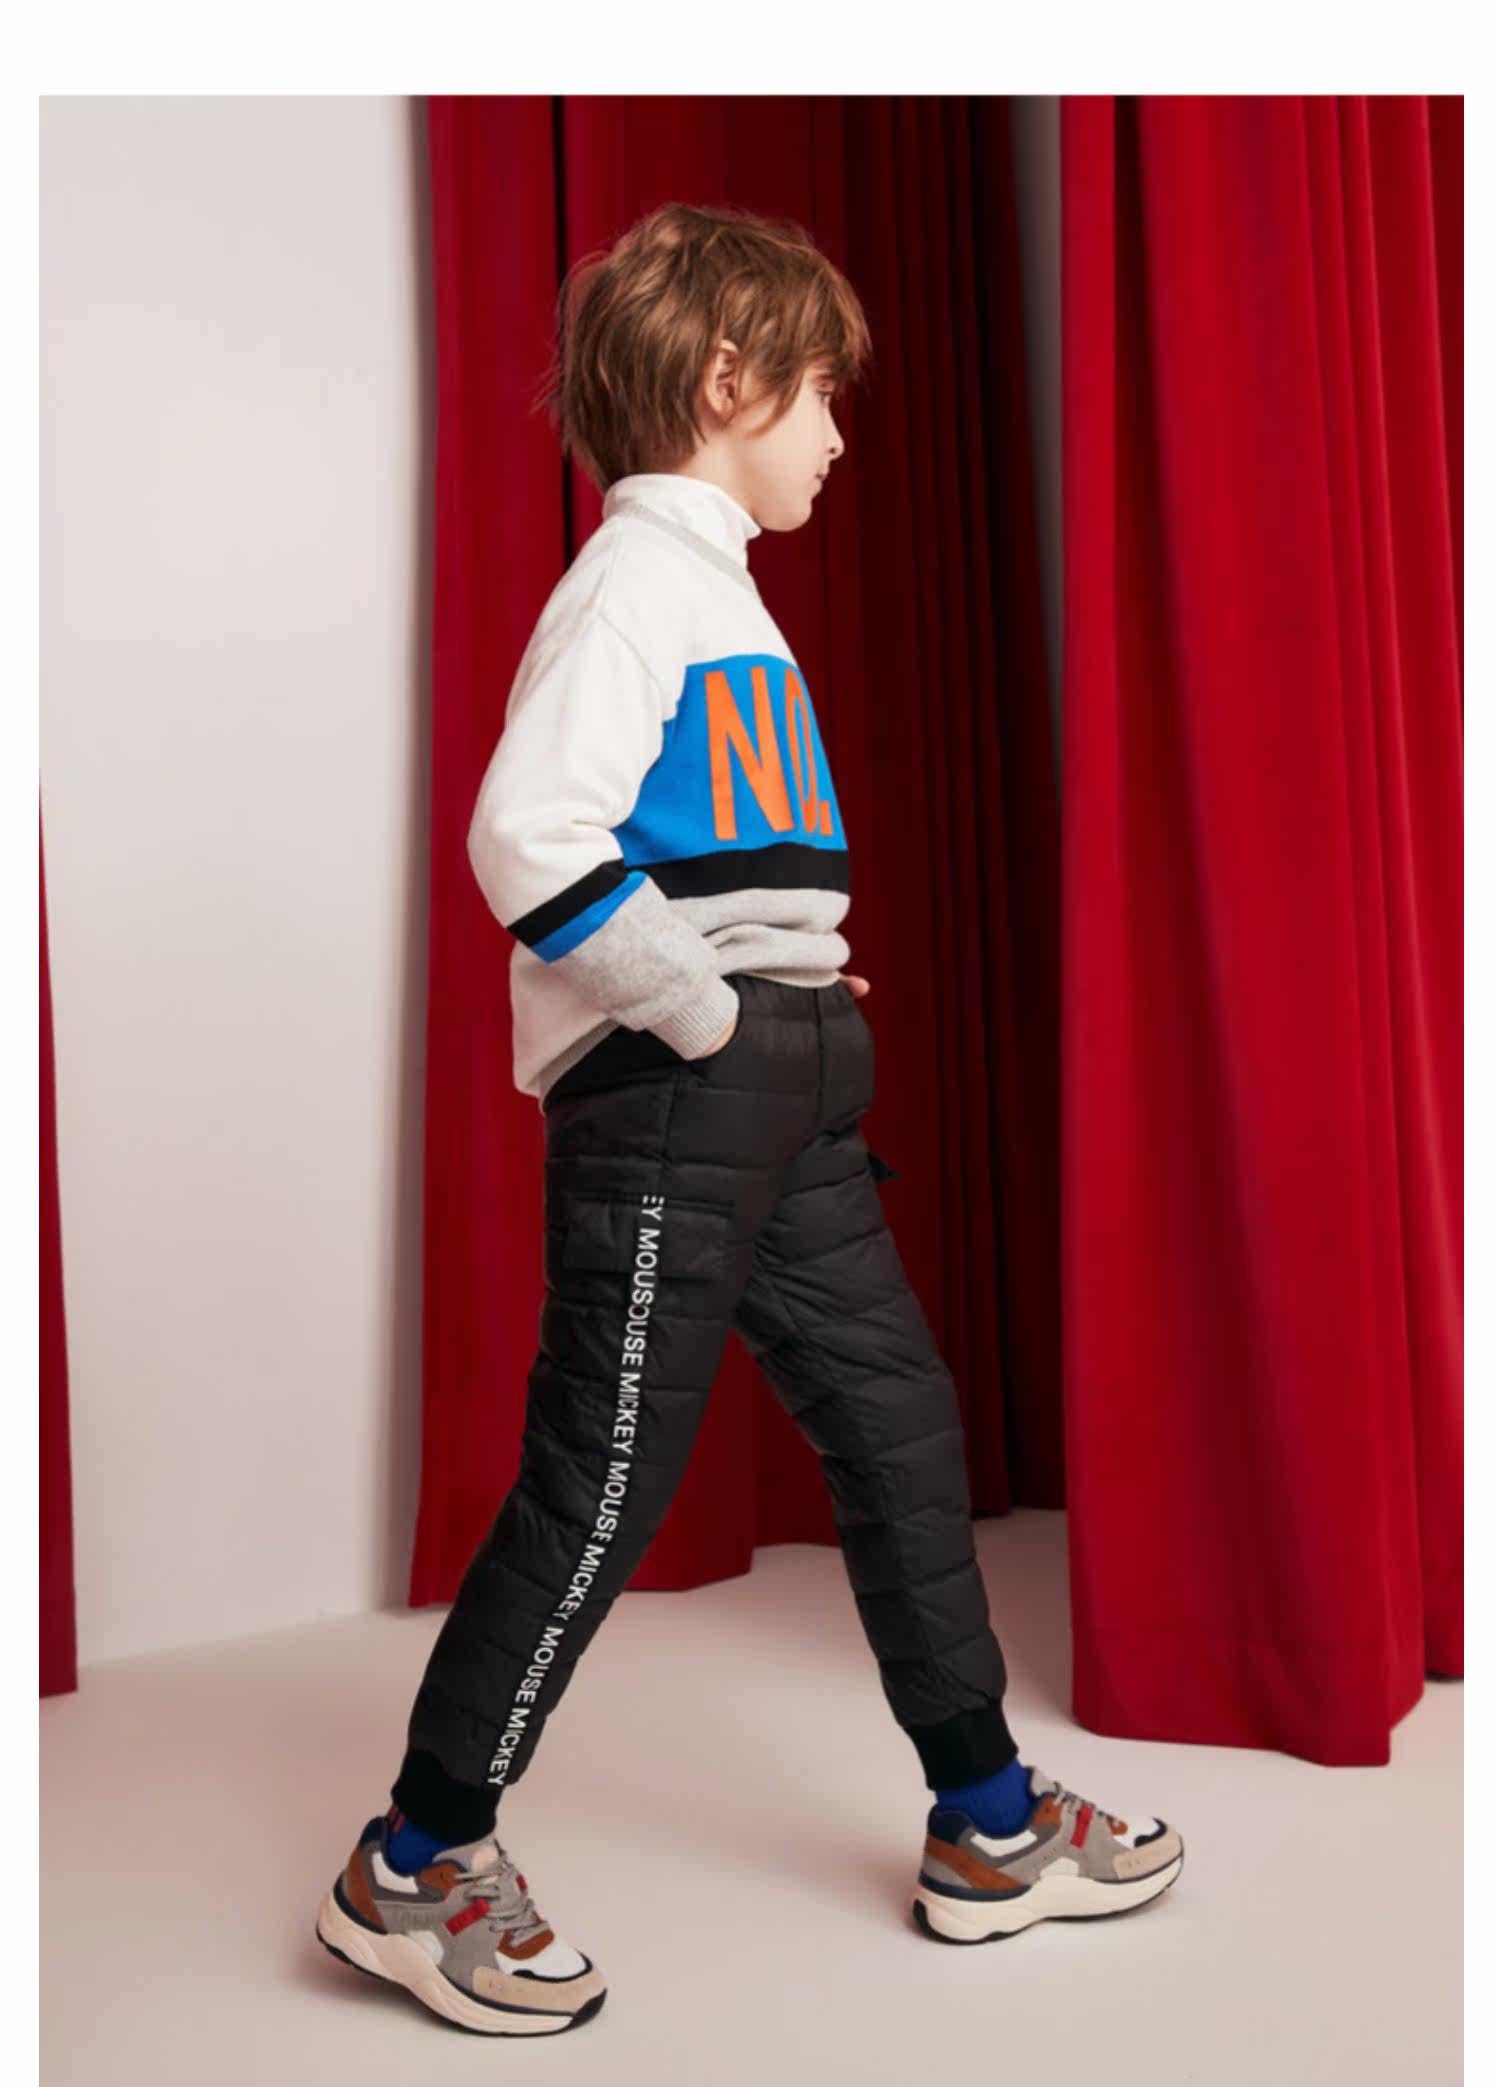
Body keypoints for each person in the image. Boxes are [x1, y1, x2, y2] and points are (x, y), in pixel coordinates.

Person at [315, 200, 1183, 2037]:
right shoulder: (632, 586)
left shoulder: (719, 589)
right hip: (675, 1101)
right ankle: (416, 1858)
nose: (842, 435)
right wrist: (714, 1011)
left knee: (899, 1434)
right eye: (820, 395)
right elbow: (529, 837)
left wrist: (788, 993)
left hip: (783, 1092)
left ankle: (989, 1822)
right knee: (603, 1481)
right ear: (726, 380)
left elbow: (718, 854)